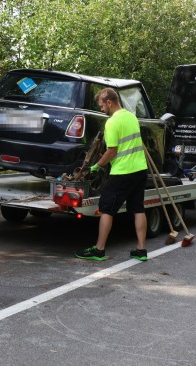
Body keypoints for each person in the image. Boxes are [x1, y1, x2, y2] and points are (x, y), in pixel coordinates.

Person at [75, 88, 149, 261]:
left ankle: (99, 249)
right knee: (138, 208)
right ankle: (141, 250)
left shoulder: (112, 122)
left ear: (109, 102)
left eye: (102, 106)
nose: (102, 109)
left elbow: (111, 152)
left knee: (106, 208)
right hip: (140, 170)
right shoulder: (131, 117)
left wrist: (95, 166)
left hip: (122, 172)